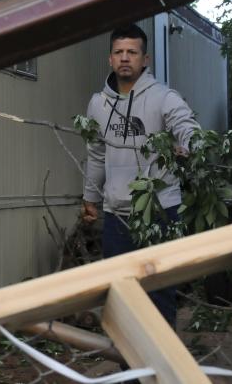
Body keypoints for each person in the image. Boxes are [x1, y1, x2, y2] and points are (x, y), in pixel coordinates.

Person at [81, 24, 199, 327]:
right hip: (116, 214)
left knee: (159, 295)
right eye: (119, 52)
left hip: (161, 210)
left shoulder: (164, 97)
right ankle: (128, 370)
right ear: (110, 59)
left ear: (144, 59)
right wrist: (90, 197)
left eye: (131, 52)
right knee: (120, 298)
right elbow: (95, 153)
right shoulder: (98, 104)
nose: (124, 58)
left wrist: (191, 145)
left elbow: (186, 125)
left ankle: (161, 368)